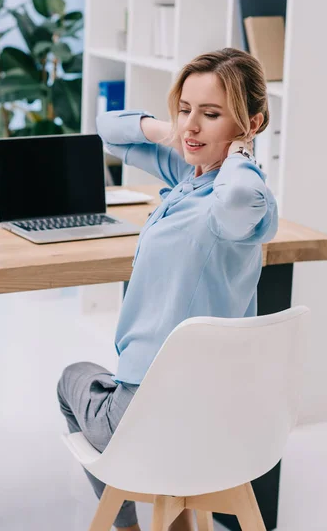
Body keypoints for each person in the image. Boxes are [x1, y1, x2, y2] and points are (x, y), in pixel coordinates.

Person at [57, 47, 278, 531]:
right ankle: (172, 523)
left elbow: (238, 195)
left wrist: (241, 153)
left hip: (152, 414)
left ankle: (129, 526)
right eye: (186, 108)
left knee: (71, 378)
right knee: (103, 378)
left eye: (212, 114)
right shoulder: (192, 176)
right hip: (218, 409)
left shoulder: (239, 203)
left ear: (252, 123)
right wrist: (172, 131)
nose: (193, 125)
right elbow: (108, 126)